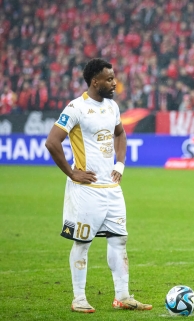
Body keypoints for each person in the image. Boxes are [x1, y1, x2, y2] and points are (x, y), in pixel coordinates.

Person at [44, 58, 152, 313]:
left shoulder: (112, 106)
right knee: (82, 243)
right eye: (109, 79)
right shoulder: (76, 108)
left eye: (114, 78)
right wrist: (72, 173)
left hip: (111, 188)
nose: (115, 83)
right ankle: (79, 298)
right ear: (95, 81)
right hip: (87, 190)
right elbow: (52, 142)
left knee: (119, 240)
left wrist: (120, 164)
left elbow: (120, 134)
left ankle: (123, 296)